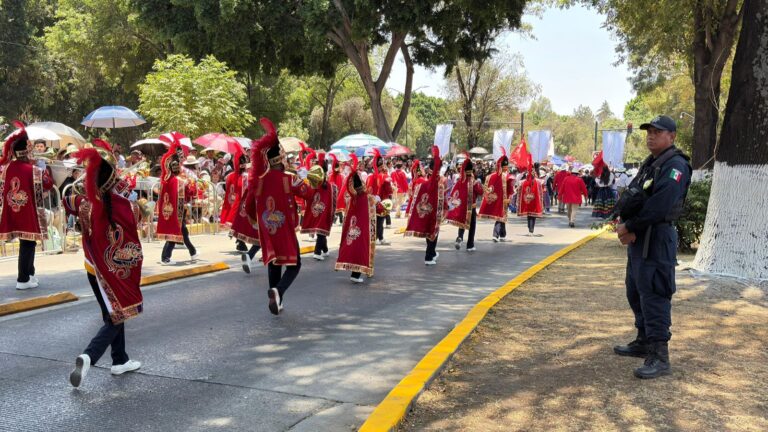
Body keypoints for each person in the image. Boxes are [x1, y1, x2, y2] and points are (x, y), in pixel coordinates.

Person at [614, 115, 692, 379]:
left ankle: (660, 356)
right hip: (640, 237)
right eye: (649, 131)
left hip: (656, 238)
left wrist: (631, 226)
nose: (651, 135)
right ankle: (644, 340)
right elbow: (635, 194)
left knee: (655, 294)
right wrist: (625, 222)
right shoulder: (652, 163)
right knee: (635, 290)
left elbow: (660, 204)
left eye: (658, 132)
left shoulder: (676, 165)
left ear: (672, 136)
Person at [63, 139, 144, 388]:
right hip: (117, 269)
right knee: (116, 316)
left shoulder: (85, 205)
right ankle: (89, 356)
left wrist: (81, 185)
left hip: (94, 270)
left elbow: (67, 199)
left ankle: (119, 359)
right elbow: (139, 213)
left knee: (113, 313)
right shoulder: (130, 207)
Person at [244, 118, 309, 315]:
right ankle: (278, 291)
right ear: (279, 159)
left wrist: (256, 220)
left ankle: (277, 301)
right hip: (285, 228)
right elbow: (306, 192)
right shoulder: (289, 178)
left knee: (274, 262)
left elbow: (248, 205)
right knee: (295, 264)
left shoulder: (259, 181)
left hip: (267, 228)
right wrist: (304, 177)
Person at [0, 121, 53, 290]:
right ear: (27, 150)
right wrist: (41, 169)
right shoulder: (32, 169)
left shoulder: (7, 168)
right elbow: (48, 184)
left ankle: (29, 274)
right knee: (28, 244)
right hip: (27, 211)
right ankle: (22, 278)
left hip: (11, 210)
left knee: (28, 244)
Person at [156, 134, 198, 265]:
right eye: (180, 153)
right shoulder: (173, 168)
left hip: (178, 202)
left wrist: (189, 184)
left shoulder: (175, 172)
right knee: (176, 228)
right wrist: (185, 183)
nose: (181, 157)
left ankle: (193, 251)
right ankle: (165, 257)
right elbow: (176, 180)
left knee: (182, 229)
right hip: (174, 203)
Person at [335, 154, 377, 283]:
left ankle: (356, 272)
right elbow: (376, 208)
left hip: (353, 231)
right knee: (362, 249)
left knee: (355, 248)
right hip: (364, 230)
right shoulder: (368, 198)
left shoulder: (350, 199)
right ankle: (357, 274)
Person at [404, 146, 445, 265]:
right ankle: (429, 256)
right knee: (433, 232)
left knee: (430, 232)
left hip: (427, 211)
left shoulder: (423, 184)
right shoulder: (436, 184)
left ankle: (431, 253)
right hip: (432, 213)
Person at [301, 152, 338, 261]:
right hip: (323, 208)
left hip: (316, 207)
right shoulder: (328, 185)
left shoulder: (315, 183)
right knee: (322, 229)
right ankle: (317, 252)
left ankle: (325, 250)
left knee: (321, 230)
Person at [229, 156, 261, 274]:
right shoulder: (261, 180)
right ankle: (250, 256)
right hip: (262, 214)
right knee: (264, 239)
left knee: (263, 239)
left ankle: (252, 256)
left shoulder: (254, 180)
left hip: (256, 213)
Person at [446, 154, 483, 252]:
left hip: (462, 207)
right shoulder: (474, 182)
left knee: (462, 224)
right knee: (472, 226)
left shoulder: (459, 182)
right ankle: (470, 245)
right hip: (472, 208)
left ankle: (460, 237)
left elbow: (454, 193)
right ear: (472, 171)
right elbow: (480, 192)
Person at [478, 149, 513, 242]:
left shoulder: (491, 176)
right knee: (500, 216)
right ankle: (495, 234)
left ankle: (503, 234)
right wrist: (509, 198)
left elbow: (488, 189)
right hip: (503, 200)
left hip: (496, 199)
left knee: (502, 216)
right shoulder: (508, 177)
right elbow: (510, 189)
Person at [220, 147, 248, 251]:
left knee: (239, 223)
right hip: (241, 203)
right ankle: (240, 242)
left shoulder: (230, 176)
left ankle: (239, 240)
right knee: (242, 223)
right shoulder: (245, 176)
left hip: (234, 203)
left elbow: (226, 187)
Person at [517, 166, 545, 236]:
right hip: (532, 201)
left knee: (530, 216)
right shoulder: (538, 181)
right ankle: (531, 230)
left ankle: (530, 229)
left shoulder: (524, 182)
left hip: (530, 201)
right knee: (531, 216)